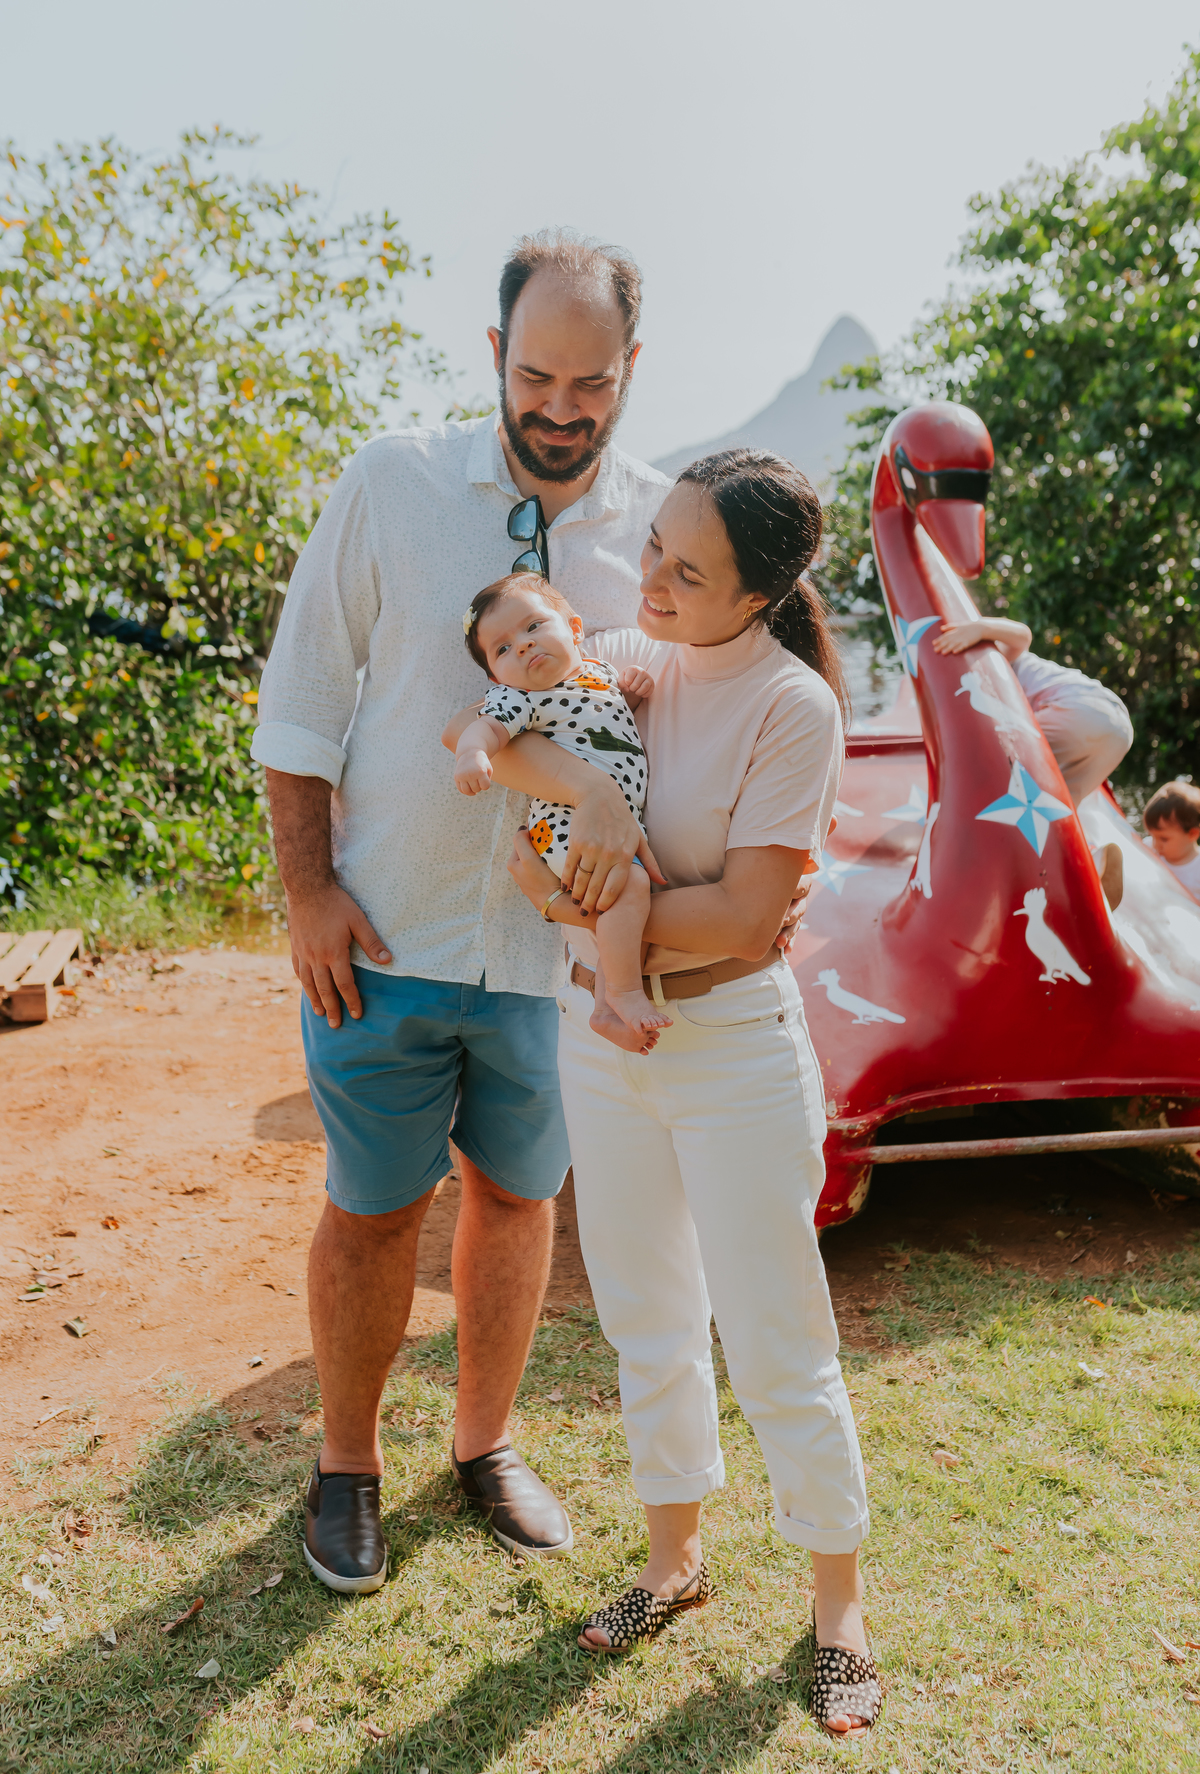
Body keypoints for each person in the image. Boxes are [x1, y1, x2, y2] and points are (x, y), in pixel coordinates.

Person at [250, 229, 675, 1593]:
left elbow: (723, 691)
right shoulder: (393, 484)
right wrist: (308, 890)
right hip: (389, 935)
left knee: (519, 1194)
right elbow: (302, 699)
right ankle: (347, 1465)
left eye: (589, 383)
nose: (560, 408)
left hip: (557, 963)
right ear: (495, 355)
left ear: (630, 372)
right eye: (535, 375)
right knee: (375, 1210)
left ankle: (485, 1444)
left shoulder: (665, 527)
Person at [474, 449, 882, 1738]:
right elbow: (492, 738)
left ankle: (838, 1613)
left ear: (757, 594)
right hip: (607, 1047)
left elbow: (756, 914)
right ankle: (673, 1562)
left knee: (777, 1339)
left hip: (735, 1058)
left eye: (685, 568)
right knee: (647, 1318)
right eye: (652, 545)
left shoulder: (792, 707)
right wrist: (591, 788)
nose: (647, 578)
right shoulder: (622, 655)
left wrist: (593, 929)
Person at [453, 573, 669, 1050]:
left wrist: (631, 691)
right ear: (495, 677)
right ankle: (623, 997)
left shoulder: (599, 672)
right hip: (564, 824)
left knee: (630, 902)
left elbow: (603, 721)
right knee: (628, 887)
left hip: (603, 820)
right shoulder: (520, 699)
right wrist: (473, 753)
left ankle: (605, 1005)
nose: (523, 647)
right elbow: (484, 729)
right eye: (503, 650)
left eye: (533, 627)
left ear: (574, 629)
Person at [932, 613, 1134, 806]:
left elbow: (1022, 635)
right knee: (1061, 805)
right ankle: (1082, 842)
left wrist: (981, 628)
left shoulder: (992, 659)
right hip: (1120, 730)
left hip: (1076, 709)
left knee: (995, 762)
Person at [1143, 778, 1200, 900]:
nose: (1156, 845)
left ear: (1192, 834)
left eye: (1164, 839)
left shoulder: (1197, 869)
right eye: (1153, 836)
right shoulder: (1147, 850)